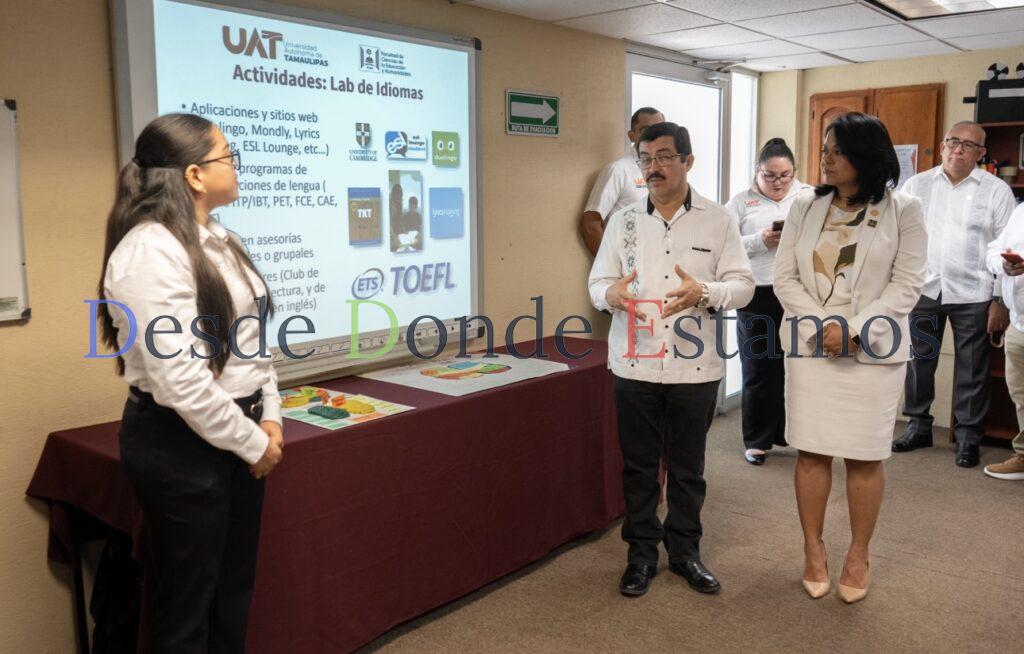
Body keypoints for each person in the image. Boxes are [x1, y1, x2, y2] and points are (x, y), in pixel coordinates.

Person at [97, 113, 284, 652]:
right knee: (185, 608)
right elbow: (181, 382)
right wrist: (253, 443)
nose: (237, 166)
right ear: (195, 175)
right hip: (180, 444)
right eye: (228, 156)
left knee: (231, 594)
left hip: (237, 433)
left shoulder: (222, 239)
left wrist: (270, 414)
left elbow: (251, 343)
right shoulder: (149, 251)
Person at [588, 122, 754, 598]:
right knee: (639, 468)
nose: (653, 167)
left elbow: (743, 286)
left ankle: (685, 553)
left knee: (687, 468)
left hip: (694, 365)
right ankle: (641, 555)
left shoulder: (718, 219)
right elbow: (597, 284)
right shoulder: (623, 221)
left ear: (687, 161)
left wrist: (705, 291)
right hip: (634, 363)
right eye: (645, 158)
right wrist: (611, 295)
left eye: (663, 156)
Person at [773, 112, 926, 603]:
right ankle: (813, 549)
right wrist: (823, 328)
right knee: (812, 452)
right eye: (825, 149)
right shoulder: (805, 205)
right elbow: (784, 279)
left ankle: (859, 554)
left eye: (838, 150)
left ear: (866, 155)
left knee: (864, 457)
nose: (827, 158)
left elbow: (907, 284)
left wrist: (854, 331)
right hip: (811, 346)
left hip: (872, 350)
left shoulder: (904, 210)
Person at [895, 121, 1016, 467]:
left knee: (972, 368)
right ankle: (918, 426)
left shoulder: (996, 191)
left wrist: (999, 299)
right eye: (953, 142)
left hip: (974, 293)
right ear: (943, 145)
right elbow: (900, 236)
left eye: (968, 145)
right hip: (924, 289)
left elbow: (1005, 248)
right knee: (918, 363)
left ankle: (967, 437)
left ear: (981, 153)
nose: (958, 150)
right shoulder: (916, 185)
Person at [726, 137, 810, 465]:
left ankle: (790, 434)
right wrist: (760, 240)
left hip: (799, 292)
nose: (778, 182)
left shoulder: (809, 196)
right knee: (759, 366)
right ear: (757, 172)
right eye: (770, 175)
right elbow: (725, 245)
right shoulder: (740, 202)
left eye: (785, 175)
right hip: (757, 293)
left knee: (798, 367)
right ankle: (757, 440)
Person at [579, 107, 664, 256]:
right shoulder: (618, 170)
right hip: (628, 266)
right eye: (645, 130)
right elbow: (590, 224)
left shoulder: (665, 171)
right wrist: (611, 265)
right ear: (632, 136)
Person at [984, 202, 1024, 481]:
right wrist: (1004, 264)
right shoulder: (1021, 212)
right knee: (1020, 393)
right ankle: (1023, 456)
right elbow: (991, 251)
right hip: (1019, 322)